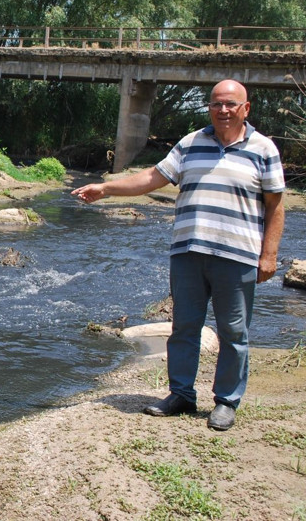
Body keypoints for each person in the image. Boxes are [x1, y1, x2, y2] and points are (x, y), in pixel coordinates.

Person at [71, 79, 285, 431]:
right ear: (209, 108)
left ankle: (226, 401)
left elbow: (276, 207)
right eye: (216, 104)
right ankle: (181, 394)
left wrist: (269, 255)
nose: (223, 110)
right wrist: (106, 188)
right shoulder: (191, 142)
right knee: (184, 327)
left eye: (231, 104)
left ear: (246, 108)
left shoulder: (263, 149)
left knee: (234, 331)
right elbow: (153, 177)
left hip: (238, 256)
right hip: (188, 252)